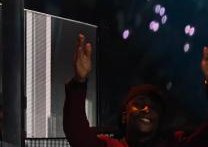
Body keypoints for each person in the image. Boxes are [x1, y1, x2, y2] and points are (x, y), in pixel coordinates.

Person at [64, 36, 208, 147]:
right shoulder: (108, 145)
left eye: (155, 108)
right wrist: (79, 81)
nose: (146, 109)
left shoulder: (174, 145)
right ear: (124, 116)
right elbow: (78, 135)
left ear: (159, 121)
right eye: (140, 103)